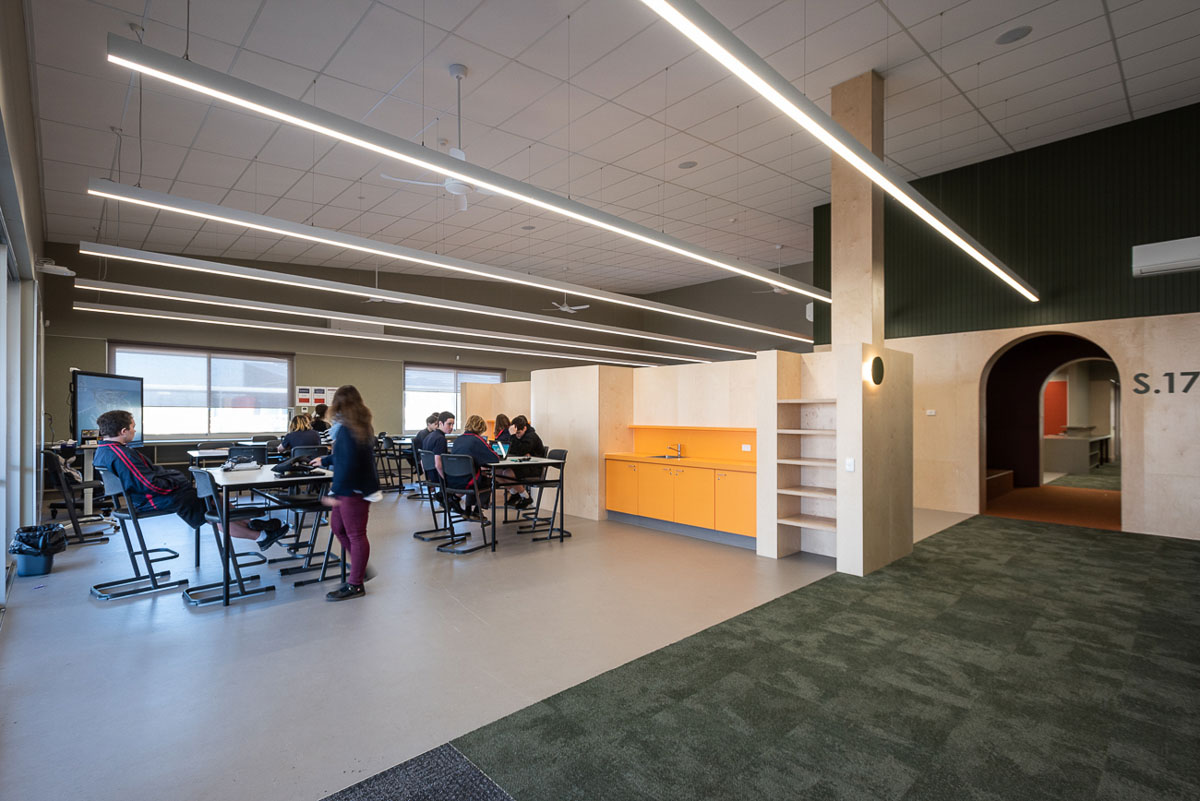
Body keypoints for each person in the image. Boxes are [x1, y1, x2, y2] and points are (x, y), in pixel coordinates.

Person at [93, 410, 288, 549]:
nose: (135, 431)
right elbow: (149, 484)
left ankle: (253, 523)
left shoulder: (103, 451)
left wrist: (174, 480)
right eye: (133, 428)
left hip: (144, 497)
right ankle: (260, 536)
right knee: (213, 508)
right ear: (123, 431)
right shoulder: (121, 454)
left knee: (214, 497)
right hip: (150, 500)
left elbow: (149, 476)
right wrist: (176, 482)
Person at [309, 385, 380, 602]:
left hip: (353, 489)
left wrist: (335, 493)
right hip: (350, 487)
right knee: (338, 528)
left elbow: (348, 463)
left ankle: (356, 584)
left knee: (356, 533)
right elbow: (344, 456)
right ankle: (360, 568)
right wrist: (326, 460)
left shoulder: (351, 429)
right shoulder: (352, 426)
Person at [449, 415, 499, 519]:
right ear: (481, 427)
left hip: (453, 480)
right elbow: (494, 458)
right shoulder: (477, 440)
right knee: (488, 480)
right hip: (468, 481)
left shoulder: (458, 439)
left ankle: (467, 511)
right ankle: (477, 511)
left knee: (475, 475)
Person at [497, 415, 546, 509]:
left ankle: (526, 497)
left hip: (534, 468)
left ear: (525, 428)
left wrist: (512, 437)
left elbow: (520, 450)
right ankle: (514, 492)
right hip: (522, 465)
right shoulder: (519, 436)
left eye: (518, 433)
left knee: (507, 472)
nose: (517, 436)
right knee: (496, 472)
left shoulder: (531, 436)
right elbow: (512, 450)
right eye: (515, 434)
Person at [424, 411, 459, 514]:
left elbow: (422, 462)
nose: (451, 427)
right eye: (449, 424)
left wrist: (428, 479)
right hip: (437, 476)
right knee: (467, 478)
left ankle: (447, 499)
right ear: (440, 423)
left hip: (431, 476)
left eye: (453, 424)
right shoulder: (440, 439)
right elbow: (438, 464)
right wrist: (445, 479)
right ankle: (452, 501)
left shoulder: (428, 437)